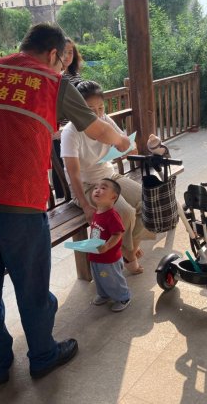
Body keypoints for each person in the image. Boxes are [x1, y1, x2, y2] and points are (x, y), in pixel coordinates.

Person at [0, 23, 130, 385]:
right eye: (61, 61)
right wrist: (121, 141)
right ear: (54, 54)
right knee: (31, 286)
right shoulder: (51, 81)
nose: (61, 67)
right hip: (18, 202)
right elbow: (96, 128)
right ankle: (42, 356)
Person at [61, 80, 151, 275]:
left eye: (101, 108)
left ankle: (129, 249)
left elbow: (127, 144)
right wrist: (86, 206)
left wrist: (128, 147)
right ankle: (129, 253)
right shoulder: (71, 132)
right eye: (90, 110)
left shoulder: (105, 121)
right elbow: (73, 174)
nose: (97, 114)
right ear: (79, 109)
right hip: (86, 186)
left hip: (110, 177)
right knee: (125, 212)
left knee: (147, 201)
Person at [89, 178, 131, 312]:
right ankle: (104, 294)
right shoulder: (97, 212)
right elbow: (96, 232)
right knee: (99, 277)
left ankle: (123, 297)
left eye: (103, 188)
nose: (97, 190)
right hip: (96, 255)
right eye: (96, 187)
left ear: (113, 196)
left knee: (112, 279)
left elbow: (118, 234)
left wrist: (107, 246)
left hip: (109, 258)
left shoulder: (112, 215)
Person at [52, 38, 84, 199]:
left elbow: (82, 106)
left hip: (74, 130)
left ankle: (75, 195)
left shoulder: (75, 76)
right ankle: (63, 198)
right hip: (56, 132)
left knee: (75, 165)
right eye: (63, 52)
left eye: (70, 52)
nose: (67, 56)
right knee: (59, 166)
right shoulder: (52, 77)